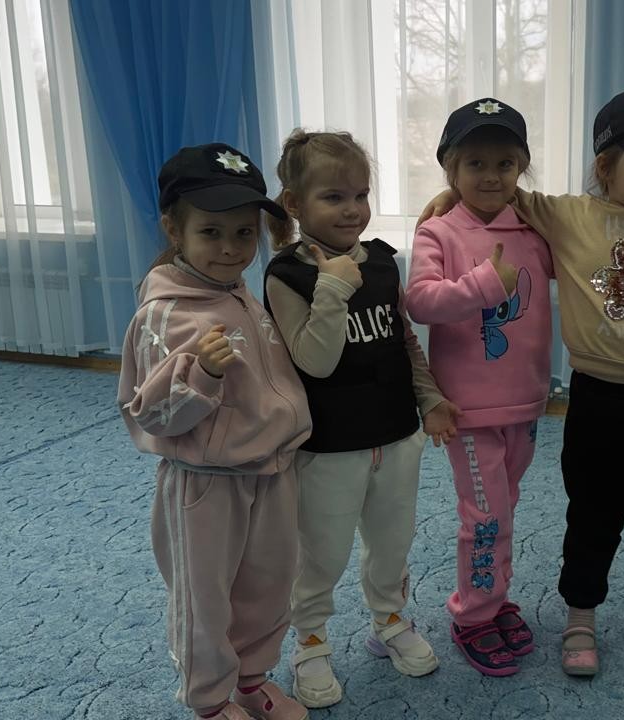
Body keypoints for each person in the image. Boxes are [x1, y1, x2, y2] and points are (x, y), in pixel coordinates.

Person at [420, 87, 624, 677]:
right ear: (605, 167)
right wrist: (451, 195)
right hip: (602, 400)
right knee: (592, 515)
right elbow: (496, 189)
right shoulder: (568, 218)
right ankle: (578, 617)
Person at [262, 129, 459, 708]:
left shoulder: (382, 263)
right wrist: (331, 287)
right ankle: (311, 640)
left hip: (396, 435)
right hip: (328, 446)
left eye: (360, 195)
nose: (352, 209)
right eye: (333, 197)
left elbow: (403, 341)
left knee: (393, 541)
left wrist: (430, 398)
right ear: (295, 204)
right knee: (321, 553)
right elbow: (315, 361)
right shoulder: (285, 275)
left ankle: (389, 620)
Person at [118, 143, 312, 719]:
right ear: (174, 230)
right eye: (211, 232)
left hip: (271, 472)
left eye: (244, 233)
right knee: (205, 597)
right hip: (204, 485)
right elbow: (150, 415)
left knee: (268, 585)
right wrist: (200, 373)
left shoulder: (238, 291)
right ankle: (208, 701)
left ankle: (251, 681)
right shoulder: (163, 313)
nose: (230, 248)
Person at [405, 98, 553, 677]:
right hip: (468, 409)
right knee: (486, 516)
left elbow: (593, 239)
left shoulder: (536, 231)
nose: (491, 176)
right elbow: (421, 301)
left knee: (503, 509)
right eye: (475, 164)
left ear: (521, 168)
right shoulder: (438, 231)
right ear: (451, 168)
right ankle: (472, 616)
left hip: (526, 402)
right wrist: (486, 284)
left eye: (505, 164)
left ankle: (493, 598)